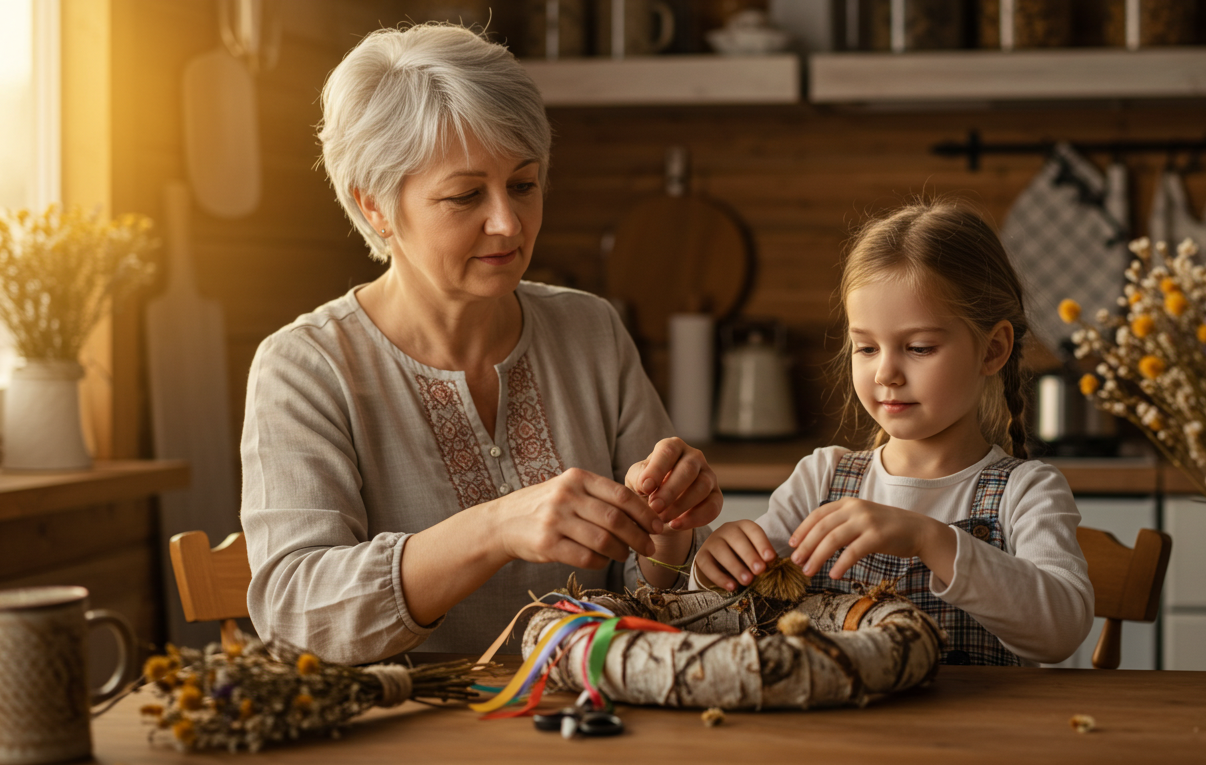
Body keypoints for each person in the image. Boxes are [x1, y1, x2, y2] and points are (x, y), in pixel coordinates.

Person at [240, 24, 720, 665]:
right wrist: (494, 527)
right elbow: (298, 613)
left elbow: (658, 598)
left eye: (523, 184)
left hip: (595, 727)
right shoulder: (305, 368)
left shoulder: (591, 331)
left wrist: (669, 538)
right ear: (376, 206)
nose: (509, 222)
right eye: (466, 194)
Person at [693, 200, 1093, 666]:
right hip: (842, 734)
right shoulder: (821, 479)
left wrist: (930, 538)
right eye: (865, 347)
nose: (886, 373)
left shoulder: (1027, 492)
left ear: (993, 349)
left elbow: (1062, 630)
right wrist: (711, 569)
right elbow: (729, 612)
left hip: (978, 737)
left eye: (919, 347)